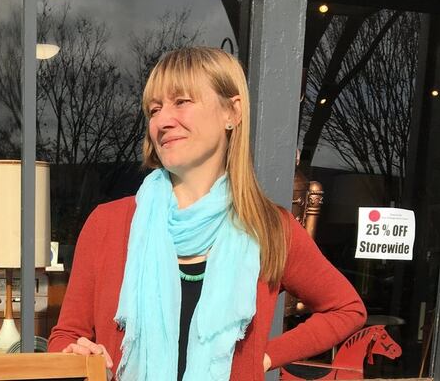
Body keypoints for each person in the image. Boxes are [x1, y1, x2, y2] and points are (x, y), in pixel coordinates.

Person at [47, 47, 366, 381]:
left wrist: (265, 357)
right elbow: (65, 336)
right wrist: (76, 354)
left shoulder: (270, 229)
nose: (163, 121)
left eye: (181, 101)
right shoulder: (109, 224)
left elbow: (346, 309)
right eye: (155, 109)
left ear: (232, 112)